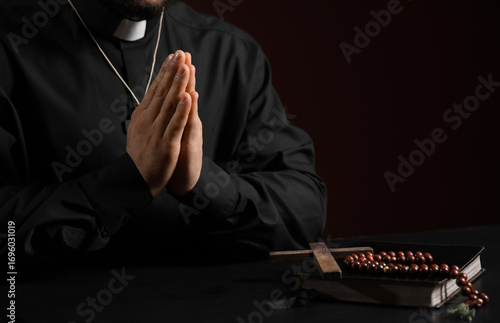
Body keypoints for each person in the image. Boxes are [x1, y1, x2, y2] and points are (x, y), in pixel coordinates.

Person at [0, 0, 327, 262]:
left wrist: (204, 183)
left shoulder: (232, 53)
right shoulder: (9, 44)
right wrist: (128, 183)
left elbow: (305, 211)